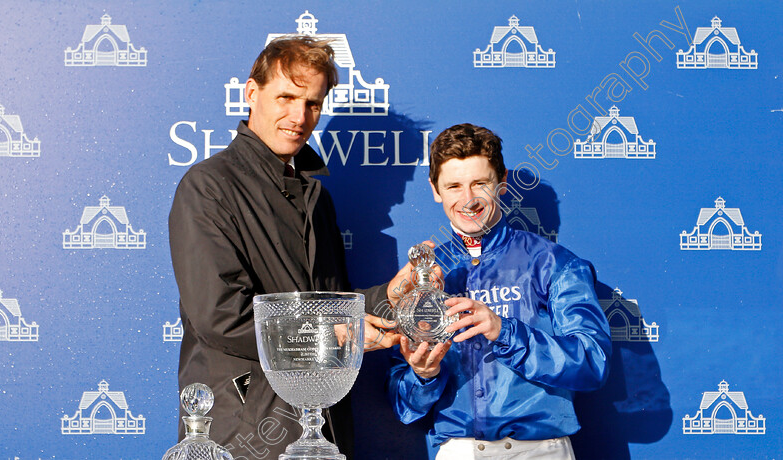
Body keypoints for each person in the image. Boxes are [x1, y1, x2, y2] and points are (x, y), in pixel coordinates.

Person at [169, 36, 402, 459]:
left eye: (313, 103)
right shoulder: (207, 187)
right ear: (252, 93)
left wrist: (390, 295)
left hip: (320, 428)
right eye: (287, 97)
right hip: (245, 433)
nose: (299, 116)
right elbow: (222, 318)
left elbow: (329, 306)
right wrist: (335, 339)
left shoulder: (316, 197)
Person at [388, 123, 612, 459]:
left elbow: (594, 362)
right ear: (435, 189)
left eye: (480, 183)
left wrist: (504, 331)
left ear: (502, 183)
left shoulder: (552, 263)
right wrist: (423, 375)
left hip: (537, 450)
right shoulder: (424, 275)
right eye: (453, 186)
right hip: (458, 450)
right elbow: (405, 407)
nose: (468, 200)